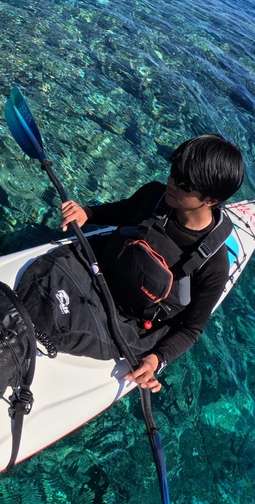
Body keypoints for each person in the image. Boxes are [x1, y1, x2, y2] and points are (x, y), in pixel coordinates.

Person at [60, 134, 244, 393]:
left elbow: (191, 329)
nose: (172, 183)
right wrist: (87, 213)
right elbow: (122, 211)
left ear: (211, 201)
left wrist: (156, 359)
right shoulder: (154, 195)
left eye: (184, 184)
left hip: (132, 321)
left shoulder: (214, 266)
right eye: (173, 171)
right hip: (100, 276)